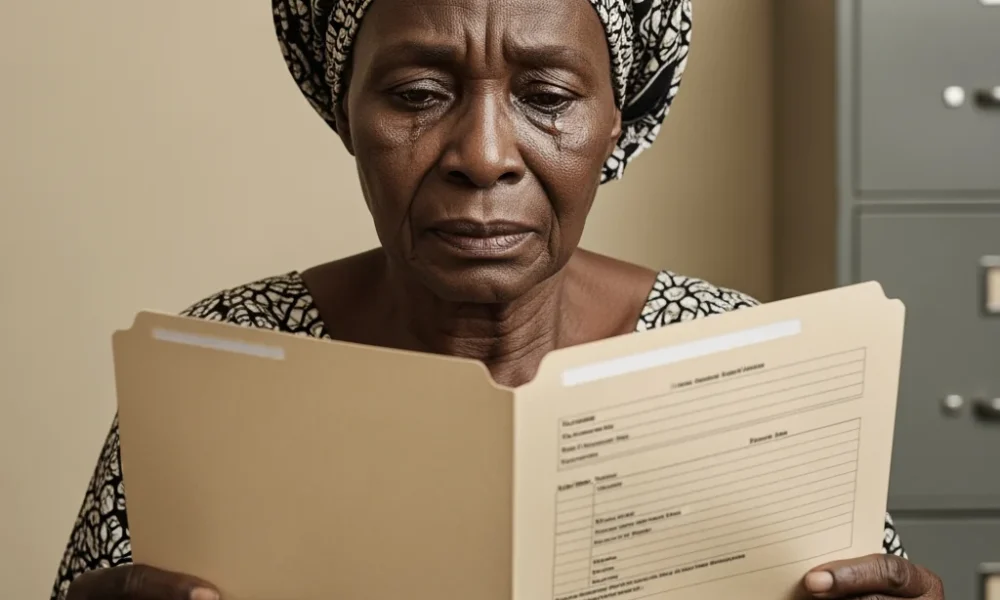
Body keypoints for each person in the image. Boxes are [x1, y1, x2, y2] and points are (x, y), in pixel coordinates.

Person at [52, 0, 945, 599]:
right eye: (416, 94)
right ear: (346, 112)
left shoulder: (755, 364)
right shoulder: (221, 366)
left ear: (616, 122)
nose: (483, 153)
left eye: (546, 96)